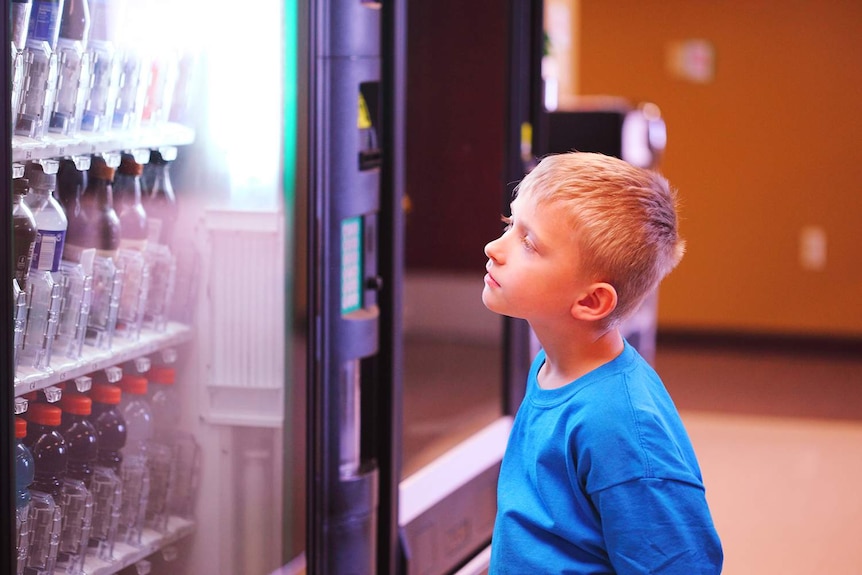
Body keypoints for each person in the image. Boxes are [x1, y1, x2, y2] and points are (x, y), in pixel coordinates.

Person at [483, 152, 723, 574]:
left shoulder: (620, 424)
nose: (494, 249)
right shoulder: (550, 366)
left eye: (528, 243)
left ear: (592, 301)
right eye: (510, 226)